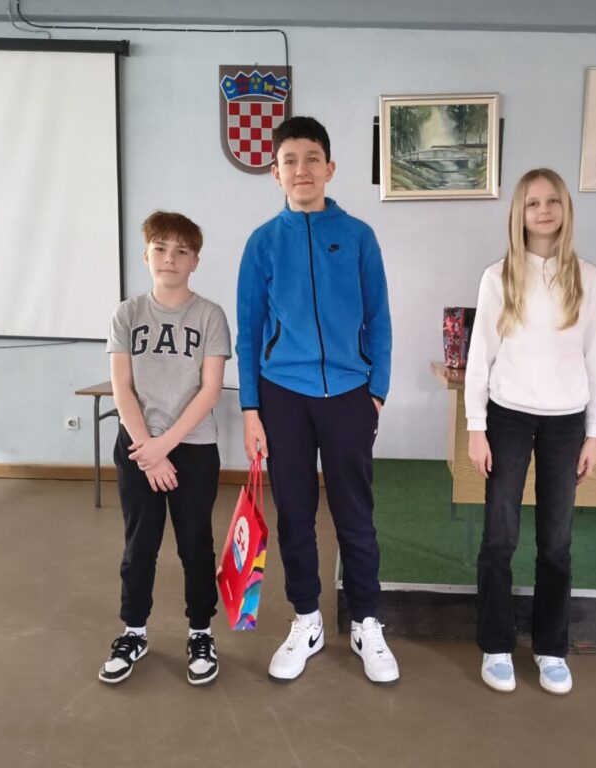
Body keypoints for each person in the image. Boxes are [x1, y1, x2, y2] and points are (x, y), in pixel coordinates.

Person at [236, 116, 398, 684]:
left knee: (356, 513)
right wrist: (251, 410)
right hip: (283, 397)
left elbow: (379, 318)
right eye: (289, 161)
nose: (301, 169)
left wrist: (376, 392)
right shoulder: (262, 243)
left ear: (329, 168)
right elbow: (249, 332)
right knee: (295, 515)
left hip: (350, 395)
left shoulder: (358, 236)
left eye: (311, 159)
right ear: (275, 172)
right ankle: (306, 618)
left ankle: (366, 621)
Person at [464, 168, 596, 694]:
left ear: (565, 209)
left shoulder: (587, 279)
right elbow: (480, 357)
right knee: (500, 536)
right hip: (507, 417)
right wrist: (476, 427)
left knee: (556, 542)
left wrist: (595, 431)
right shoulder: (498, 277)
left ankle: (550, 647)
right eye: (532, 203)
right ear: (519, 214)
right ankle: (496, 644)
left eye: (552, 201)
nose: (543, 211)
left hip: (566, 423)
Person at [99, 211, 232, 686]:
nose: (170, 258)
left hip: (192, 449)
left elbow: (210, 389)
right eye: (160, 249)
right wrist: (147, 448)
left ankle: (201, 632)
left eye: (181, 251)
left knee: (195, 545)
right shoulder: (127, 314)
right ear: (146, 255)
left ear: (195, 261)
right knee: (140, 545)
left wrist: (165, 447)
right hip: (137, 447)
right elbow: (122, 387)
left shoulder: (210, 315)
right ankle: (134, 631)